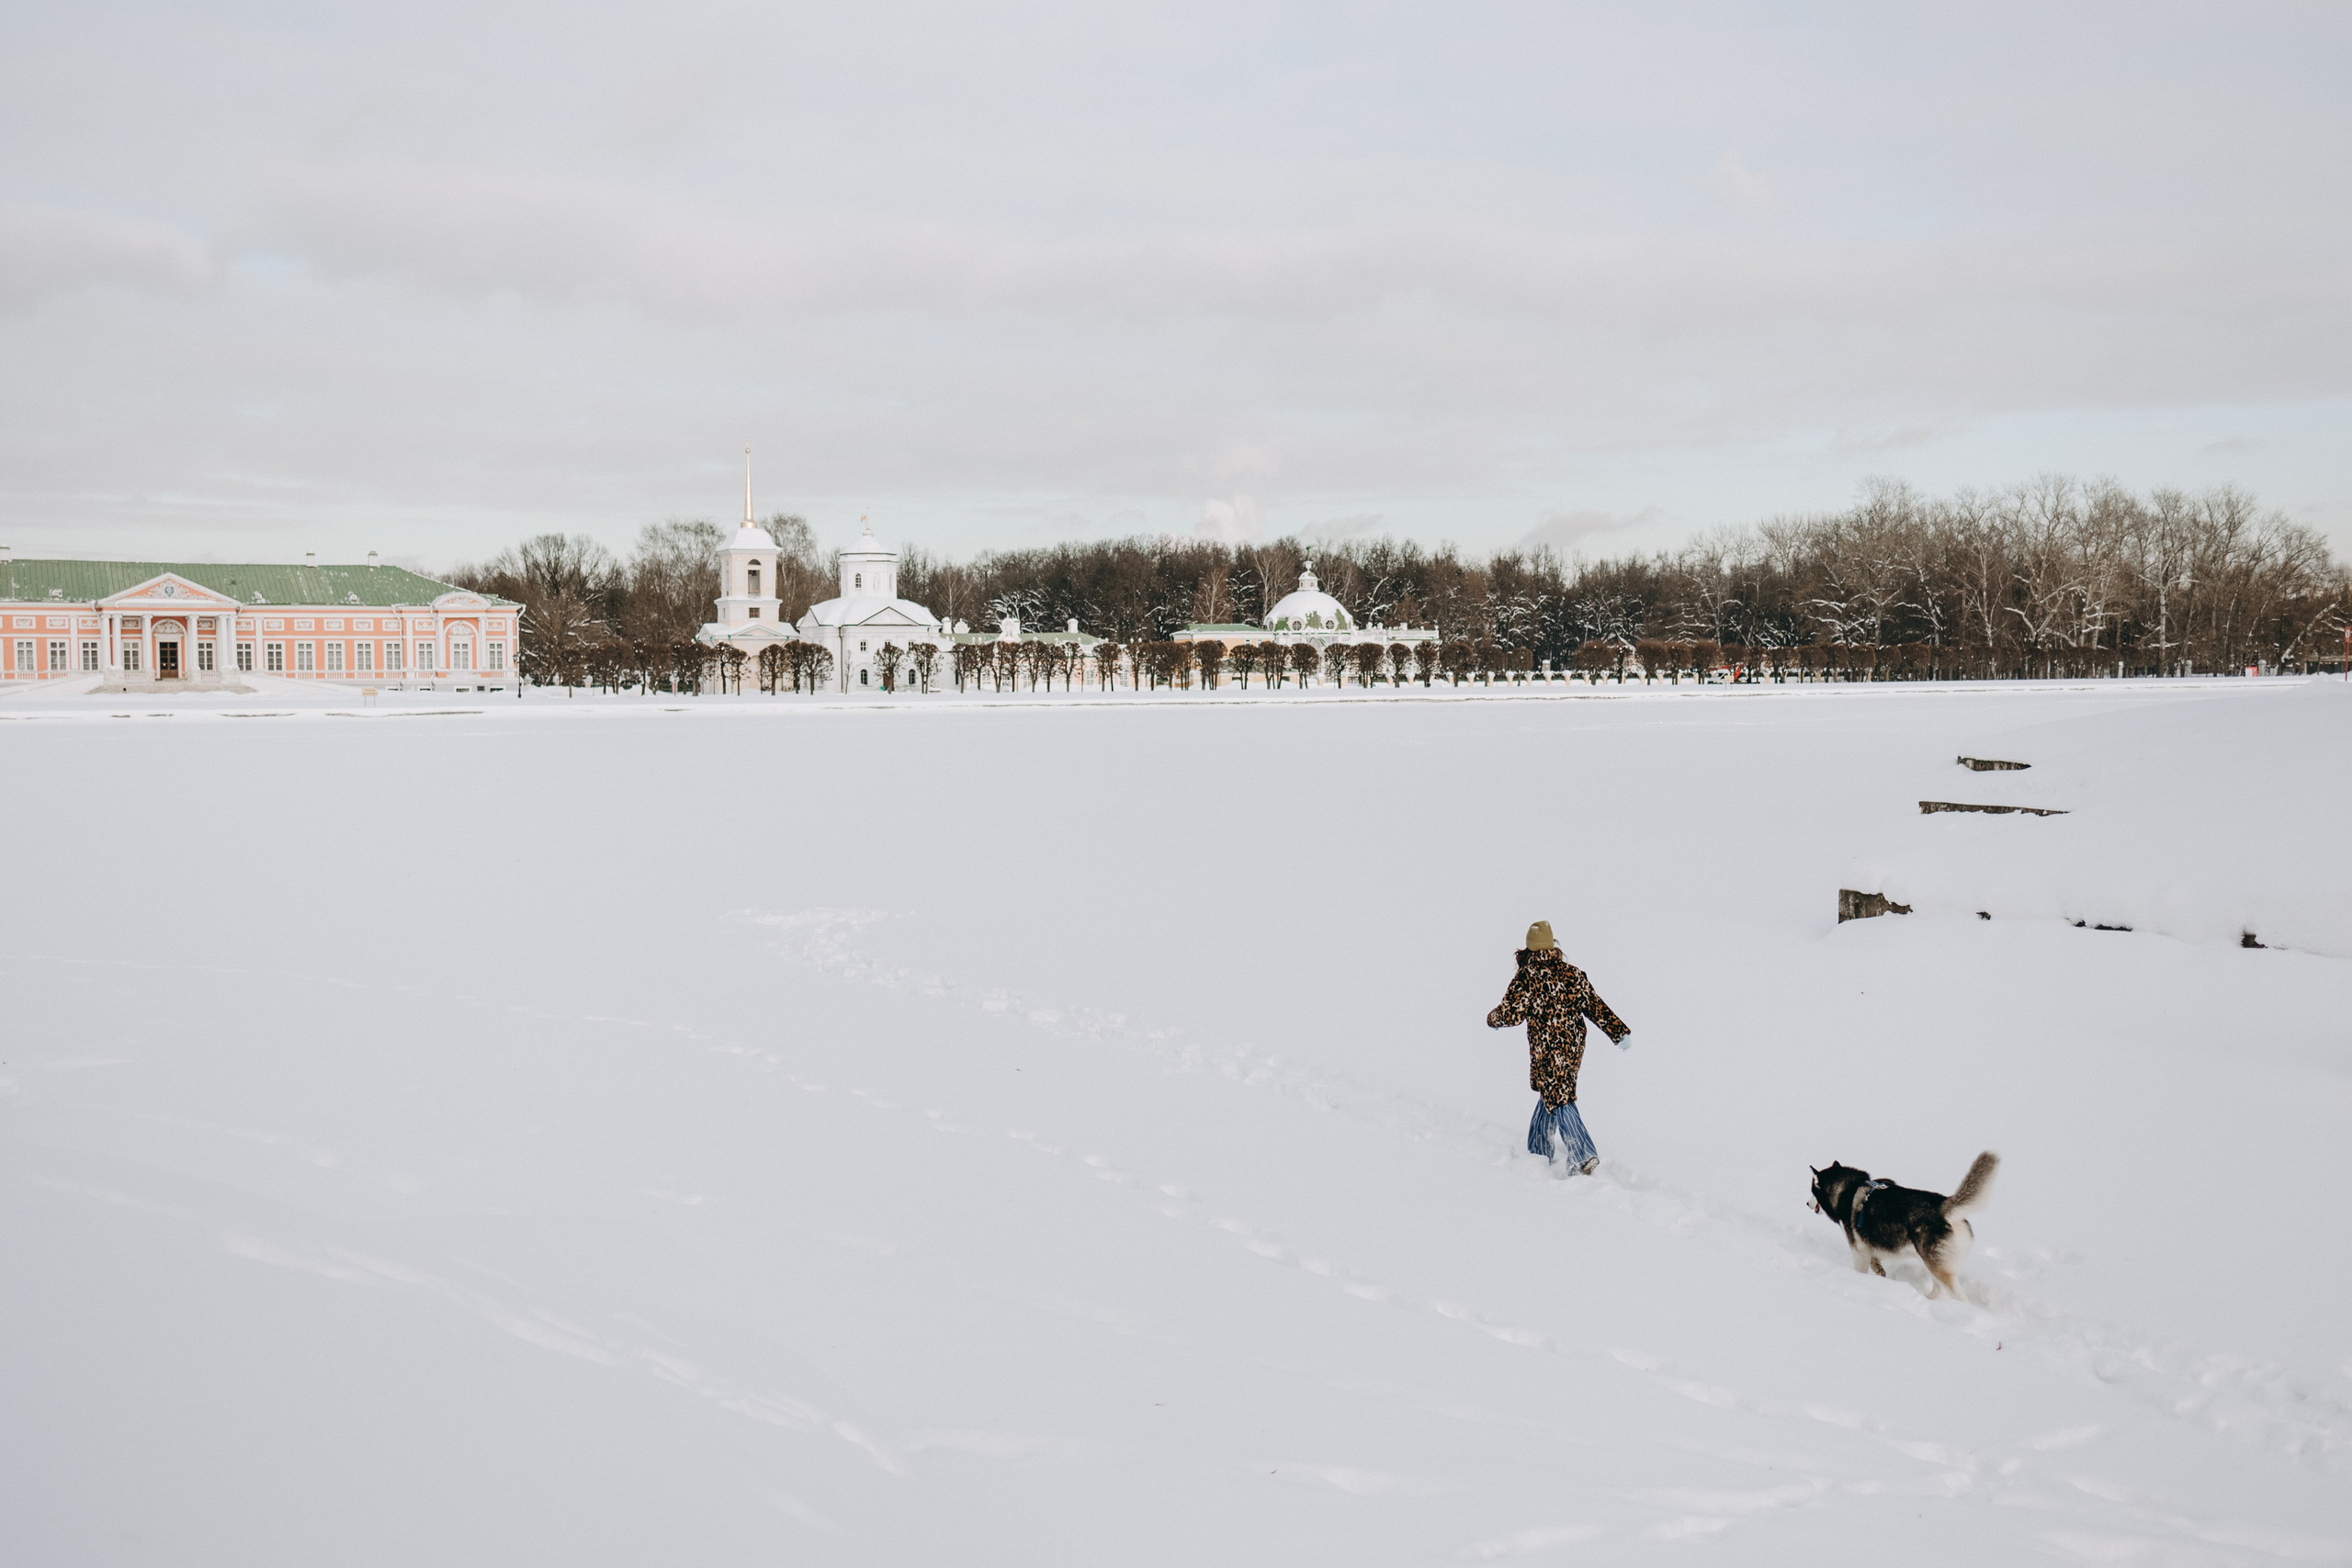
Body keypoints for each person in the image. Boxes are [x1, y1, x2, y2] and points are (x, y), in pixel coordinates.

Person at [1486, 920, 1631, 1177]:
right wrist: (1618, 1032)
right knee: (1552, 1092)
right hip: (1573, 1047)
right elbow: (1596, 1006)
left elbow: (1511, 1013)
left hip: (1547, 1050)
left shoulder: (1527, 977)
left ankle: (1582, 1154)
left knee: (1560, 1098)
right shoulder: (1572, 973)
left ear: (1529, 949)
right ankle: (1538, 1150)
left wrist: (1493, 1019)